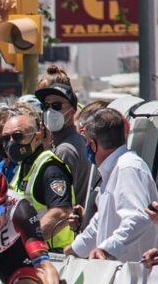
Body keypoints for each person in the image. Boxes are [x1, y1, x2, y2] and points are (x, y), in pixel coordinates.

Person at [68, 108, 158, 262]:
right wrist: (74, 250)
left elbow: (138, 217)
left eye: (87, 143)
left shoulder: (128, 168)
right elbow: (100, 221)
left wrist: (106, 249)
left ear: (93, 145)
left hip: (133, 277)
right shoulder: (113, 170)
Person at [2, 107, 76, 251]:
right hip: (33, 254)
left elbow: (61, 212)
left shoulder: (50, 168)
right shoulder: (23, 167)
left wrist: (26, 242)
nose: (11, 143)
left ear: (36, 138)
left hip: (55, 254)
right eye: (6, 138)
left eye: (18, 136)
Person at [35, 80, 91, 206]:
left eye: (56, 106)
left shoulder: (65, 150)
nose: (50, 111)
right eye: (45, 106)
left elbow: (59, 198)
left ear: (72, 112)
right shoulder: (67, 141)